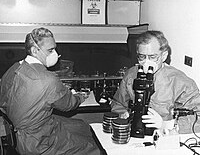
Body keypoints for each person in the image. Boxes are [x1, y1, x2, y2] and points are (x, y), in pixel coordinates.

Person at [0, 27, 102, 155]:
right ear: (34, 50)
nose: (56, 54)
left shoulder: (13, 69)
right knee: (92, 147)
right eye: (50, 50)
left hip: (23, 132)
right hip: (37, 142)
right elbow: (68, 105)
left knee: (82, 126)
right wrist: (80, 97)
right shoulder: (47, 79)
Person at [111, 30, 200, 134]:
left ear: (164, 56)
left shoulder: (180, 82)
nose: (146, 62)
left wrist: (167, 124)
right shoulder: (131, 75)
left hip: (165, 136)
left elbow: (198, 118)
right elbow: (117, 102)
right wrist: (123, 113)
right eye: (142, 57)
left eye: (152, 57)